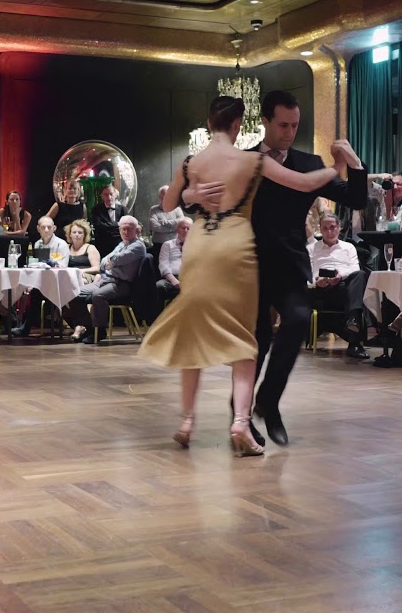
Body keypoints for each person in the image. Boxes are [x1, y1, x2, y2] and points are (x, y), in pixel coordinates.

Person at [140, 95, 344, 457]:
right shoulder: (252, 159)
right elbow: (302, 182)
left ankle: (187, 421)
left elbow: (169, 204)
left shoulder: (191, 161)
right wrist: (334, 168)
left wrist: (191, 191)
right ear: (237, 126)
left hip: (200, 245)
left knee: (192, 330)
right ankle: (240, 422)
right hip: (236, 245)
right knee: (244, 340)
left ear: (208, 123)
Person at [181, 90, 369, 447]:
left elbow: (356, 198)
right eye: (282, 124)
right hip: (246, 264)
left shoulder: (309, 162)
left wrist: (353, 161)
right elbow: (196, 200)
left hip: (289, 262)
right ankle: (242, 415)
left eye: (294, 125)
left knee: (298, 320)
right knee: (256, 342)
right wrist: (193, 196)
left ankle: (269, 400)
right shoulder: (243, 158)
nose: (288, 131)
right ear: (264, 122)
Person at [65, 215, 146, 344]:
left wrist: (111, 262)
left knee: (98, 295)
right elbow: (104, 261)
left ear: (136, 230)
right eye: (123, 229)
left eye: (129, 229)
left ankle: (100, 331)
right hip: (106, 280)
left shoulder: (138, 246)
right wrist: (111, 262)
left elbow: (116, 259)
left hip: (122, 284)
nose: (125, 232)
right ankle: (90, 327)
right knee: (75, 293)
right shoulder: (121, 244)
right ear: (119, 230)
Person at [308, 213, 369, 359]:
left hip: (343, 286)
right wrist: (317, 281)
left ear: (339, 228)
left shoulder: (348, 248)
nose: (329, 232)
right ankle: (354, 334)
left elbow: (354, 268)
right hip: (321, 290)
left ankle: (353, 324)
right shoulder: (312, 248)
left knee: (360, 275)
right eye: (325, 228)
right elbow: (306, 273)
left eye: (333, 227)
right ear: (320, 229)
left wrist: (340, 276)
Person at [9, 216, 70, 337]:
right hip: (42, 282)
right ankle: (21, 323)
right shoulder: (37, 244)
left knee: (36, 292)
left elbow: (63, 266)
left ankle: (26, 327)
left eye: (49, 227)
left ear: (54, 228)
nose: (46, 230)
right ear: (38, 229)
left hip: (58, 283)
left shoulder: (61, 244)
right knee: (29, 290)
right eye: (43, 227)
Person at [156, 217, 191, 304]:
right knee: (159, 286)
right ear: (177, 229)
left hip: (190, 279)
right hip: (171, 279)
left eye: (188, 228)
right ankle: (160, 317)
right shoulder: (167, 245)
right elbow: (163, 264)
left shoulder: (196, 246)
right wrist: (173, 280)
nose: (186, 230)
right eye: (183, 228)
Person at [148, 185, 185, 252]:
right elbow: (154, 226)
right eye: (164, 194)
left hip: (175, 245)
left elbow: (181, 223)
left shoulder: (177, 209)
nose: (167, 196)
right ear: (160, 197)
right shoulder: (154, 209)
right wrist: (173, 228)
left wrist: (163, 222)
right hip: (158, 245)